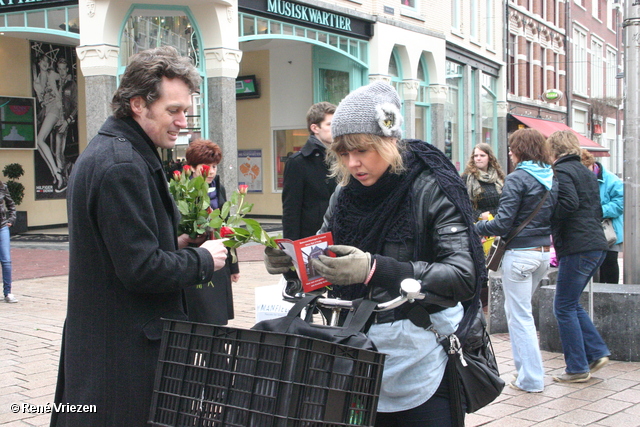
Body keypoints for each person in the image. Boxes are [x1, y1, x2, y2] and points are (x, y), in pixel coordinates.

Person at [265, 82, 485, 426]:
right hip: (359, 356)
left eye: (363, 151)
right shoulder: (345, 193)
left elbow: (463, 276)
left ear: (389, 140)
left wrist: (373, 269)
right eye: (342, 153)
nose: (353, 163)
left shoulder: (431, 186)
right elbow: (328, 261)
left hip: (423, 356)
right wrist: (295, 265)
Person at [51, 46, 228, 427]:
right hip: (122, 357)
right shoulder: (121, 165)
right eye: (173, 110)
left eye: (185, 110)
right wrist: (203, 259)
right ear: (137, 104)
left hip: (109, 348)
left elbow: (120, 250)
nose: (183, 121)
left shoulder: (117, 152)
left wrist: (173, 245)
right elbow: (141, 270)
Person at [475, 129, 557, 393]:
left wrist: (476, 227)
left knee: (520, 316)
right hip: (543, 253)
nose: (509, 152)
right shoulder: (550, 177)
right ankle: (523, 374)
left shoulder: (518, 177)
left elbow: (503, 222)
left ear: (521, 149)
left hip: (520, 255)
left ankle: (532, 379)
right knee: (516, 312)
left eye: (512, 148)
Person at [547, 130, 610, 383]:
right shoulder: (586, 171)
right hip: (595, 244)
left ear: (554, 150)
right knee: (571, 303)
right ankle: (597, 352)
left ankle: (577, 368)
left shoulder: (561, 171)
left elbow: (568, 204)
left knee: (563, 306)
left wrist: (550, 218)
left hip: (577, 246)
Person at [281, 101, 337, 291]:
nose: (335, 129)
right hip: (312, 244)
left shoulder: (344, 157)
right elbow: (291, 211)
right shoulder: (298, 162)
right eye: (330, 124)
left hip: (340, 240)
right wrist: (292, 256)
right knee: (313, 299)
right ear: (315, 128)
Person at [183, 139, 240, 325]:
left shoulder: (218, 188)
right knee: (200, 317)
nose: (212, 171)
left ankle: (217, 353)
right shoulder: (182, 192)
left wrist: (234, 267)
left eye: (214, 166)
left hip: (219, 259)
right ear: (192, 167)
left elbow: (226, 227)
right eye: (206, 166)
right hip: (195, 260)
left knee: (218, 319)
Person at [580, 149, 623, 284]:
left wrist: (598, 210)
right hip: (587, 229)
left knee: (609, 262)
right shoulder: (579, 178)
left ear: (592, 165)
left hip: (608, 230)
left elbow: (620, 203)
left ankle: (612, 294)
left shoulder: (611, 180)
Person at [461, 142, 505, 221]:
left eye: (482, 155)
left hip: (498, 222)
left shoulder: (498, 176)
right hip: (476, 225)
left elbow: (505, 201)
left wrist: (492, 214)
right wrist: (480, 215)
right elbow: (463, 202)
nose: (478, 158)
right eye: (476, 156)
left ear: (489, 157)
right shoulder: (467, 178)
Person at [0, 180, 17, 303]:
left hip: (2, 227)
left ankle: (8, 292)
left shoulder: (2, 187)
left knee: (6, 260)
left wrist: (11, 219)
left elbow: (11, 205)